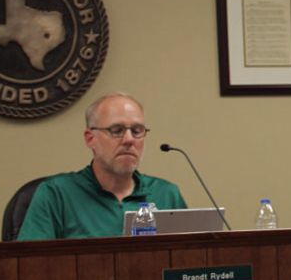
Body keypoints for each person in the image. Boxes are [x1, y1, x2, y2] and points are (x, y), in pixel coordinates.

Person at [17, 92, 186, 240]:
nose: (129, 139)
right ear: (90, 139)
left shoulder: (166, 194)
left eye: (137, 130)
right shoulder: (56, 194)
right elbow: (30, 267)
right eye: (116, 130)